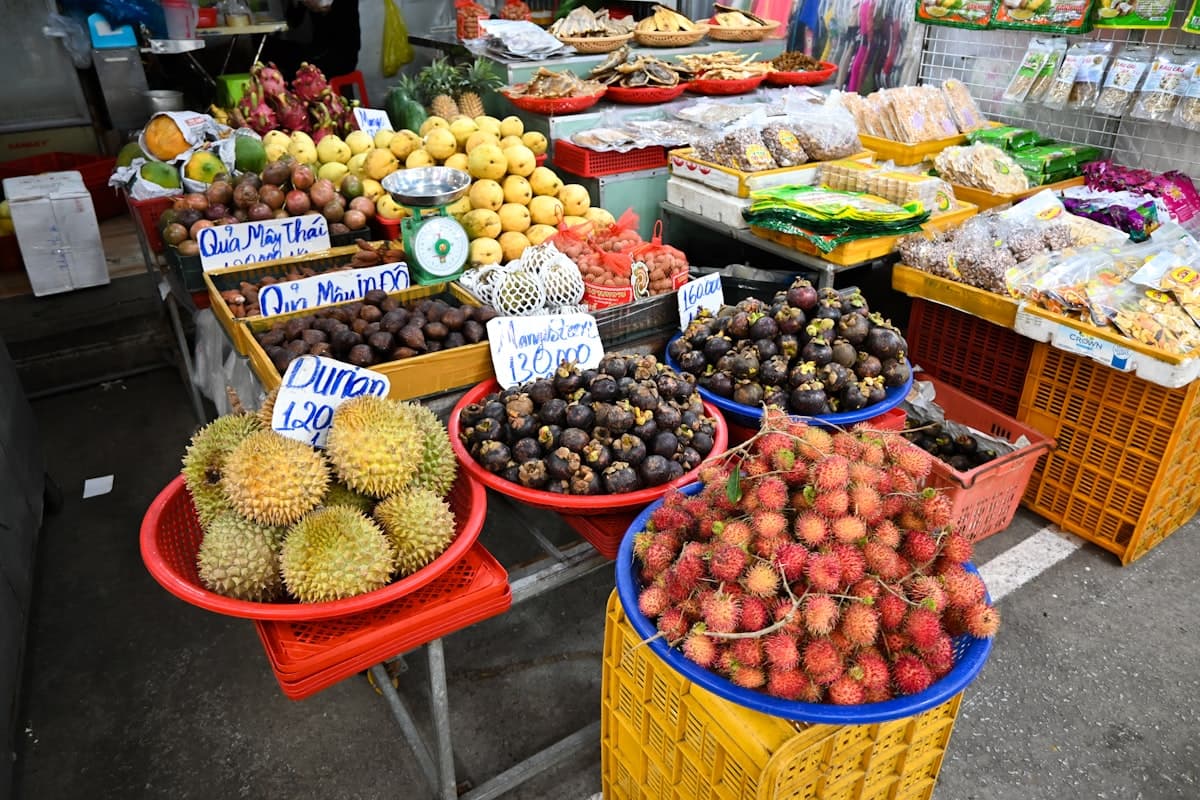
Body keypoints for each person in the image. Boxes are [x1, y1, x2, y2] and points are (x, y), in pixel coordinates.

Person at [261, 0, 361, 81]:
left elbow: (328, 8)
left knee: (288, 68)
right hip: (318, 50)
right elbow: (294, 21)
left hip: (340, 55)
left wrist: (323, 8)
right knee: (269, 47)